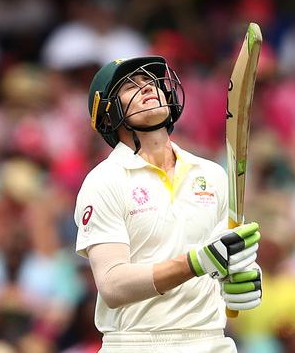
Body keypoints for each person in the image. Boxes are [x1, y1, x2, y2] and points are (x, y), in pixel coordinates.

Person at [74, 56, 262, 352]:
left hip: (210, 340)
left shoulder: (211, 174)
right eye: (130, 86)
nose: (147, 88)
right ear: (108, 114)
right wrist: (196, 263)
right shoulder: (105, 181)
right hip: (137, 342)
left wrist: (242, 278)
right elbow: (112, 285)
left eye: (151, 81)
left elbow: (220, 258)